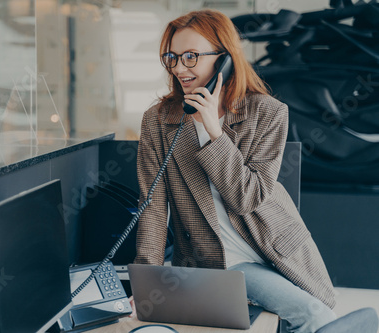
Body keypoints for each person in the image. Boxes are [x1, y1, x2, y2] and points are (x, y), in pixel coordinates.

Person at [132, 9, 338, 333]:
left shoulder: (268, 112)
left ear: (224, 59)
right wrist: (147, 281)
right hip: (221, 261)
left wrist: (215, 132)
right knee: (312, 316)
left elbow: (248, 197)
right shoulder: (158, 120)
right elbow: (153, 207)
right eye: (172, 57)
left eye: (190, 57)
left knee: (317, 316)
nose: (179, 68)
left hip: (275, 248)